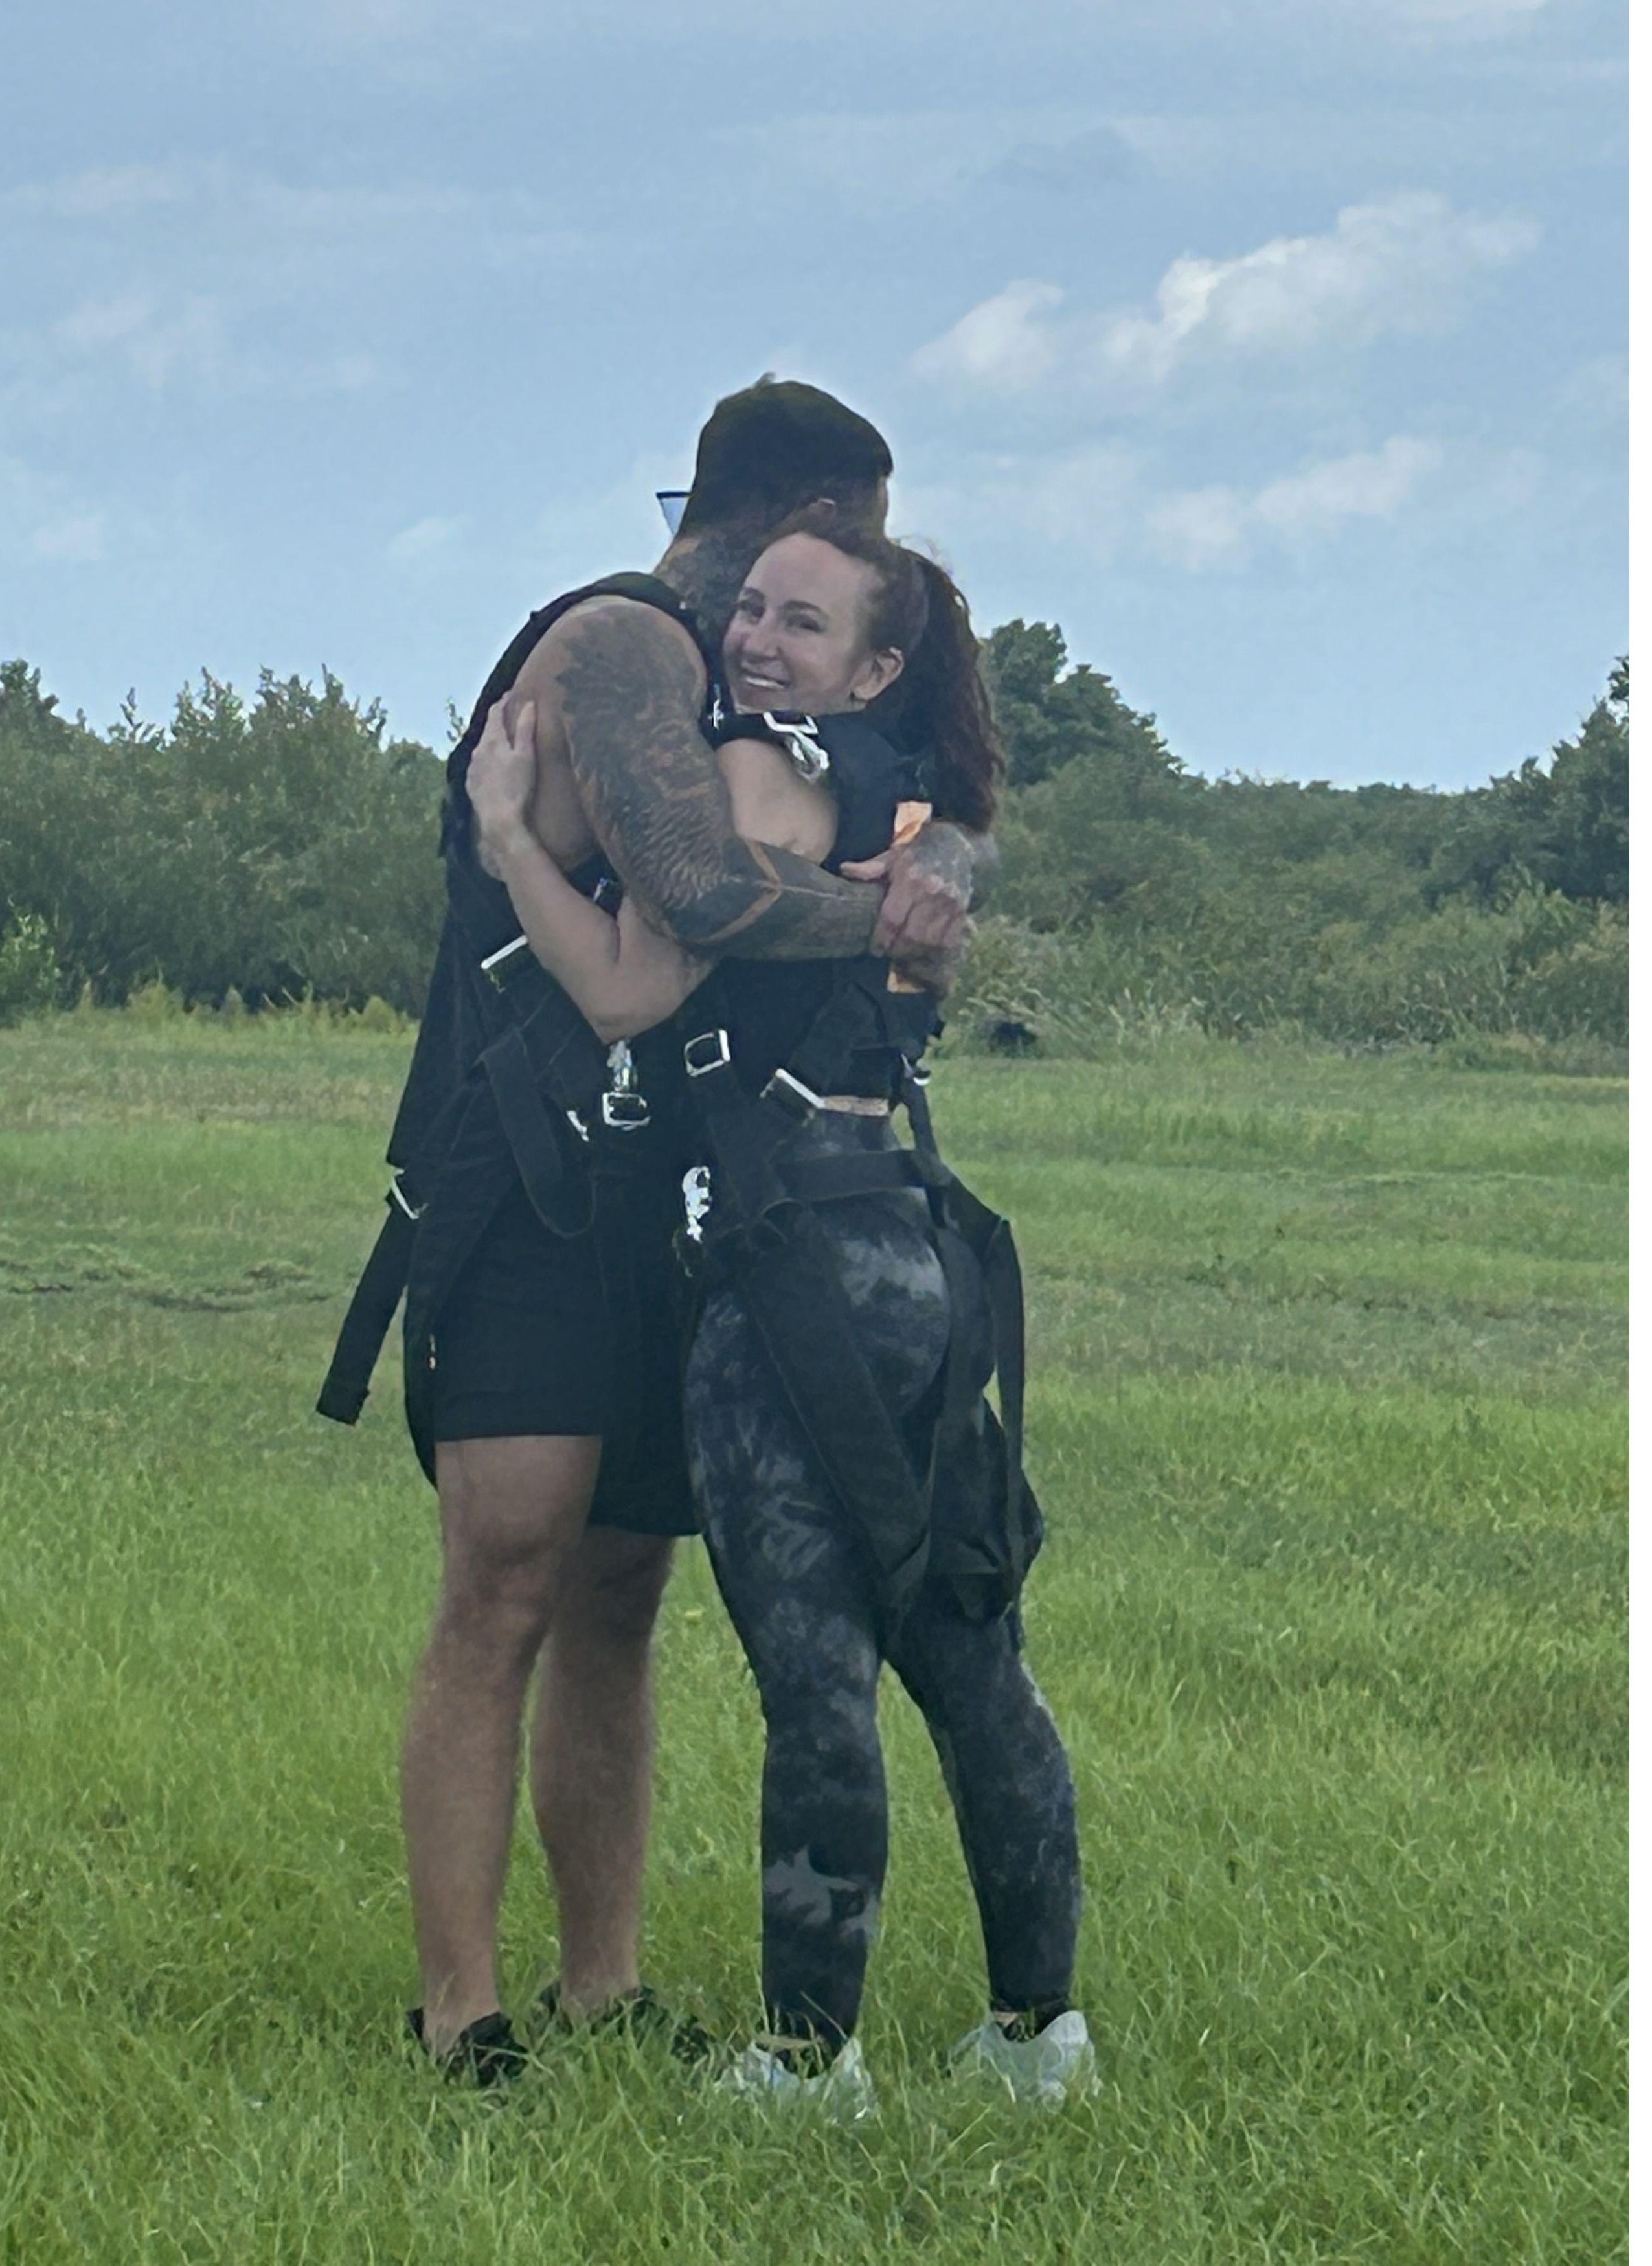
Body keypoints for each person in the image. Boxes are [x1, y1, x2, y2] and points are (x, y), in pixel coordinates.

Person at [319, 380, 987, 2079]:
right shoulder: (618, 646)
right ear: (790, 511)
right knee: (508, 1574)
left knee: (621, 1587)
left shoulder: (743, 696)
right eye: (839, 541)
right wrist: (886, 916)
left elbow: (934, 792)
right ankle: (460, 2009)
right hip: (525, 1180)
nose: (835, 583)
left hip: (669, 1195)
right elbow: (692, 897)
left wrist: (951, 863)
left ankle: (599, 1982)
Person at [464, 514, 1091, 2116]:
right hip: (917, 1242)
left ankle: (810, 2061)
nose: (752, 642)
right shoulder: (911, 793)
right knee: (972, 1655)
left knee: (817, 1677)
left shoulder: (753, 769)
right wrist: (939, 873)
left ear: (872, 663)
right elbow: (948, 871)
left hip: (787, 1261)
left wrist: (511, 844)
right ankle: (1040, 2040)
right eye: (747, 609)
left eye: (800, 624)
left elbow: (628, 986)